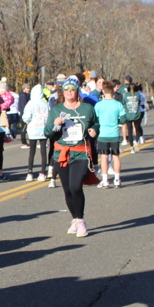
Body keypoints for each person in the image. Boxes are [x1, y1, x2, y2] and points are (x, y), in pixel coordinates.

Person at [47, 78, 98, 236]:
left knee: (76, 186)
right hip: (62, 153)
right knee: (68, 190)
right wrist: (56, 125)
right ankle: (75, 219)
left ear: (77, 91)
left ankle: (81, 221)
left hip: (81, 152)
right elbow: (47, 132)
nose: (69, 91)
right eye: (67, 89)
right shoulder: (56, 110)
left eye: (72, 89)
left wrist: (94, 130)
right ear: (63, 92)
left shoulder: (87, 108)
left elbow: (96, 123)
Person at [93, 80, 127, 188]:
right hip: (114, 134)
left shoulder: (98, 105)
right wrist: (117, 121)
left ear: (103, 91)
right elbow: (123, 120)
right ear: (113, 91)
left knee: (104, 157)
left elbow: (95, 119)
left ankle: (105, 180)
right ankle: (117, 179)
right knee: (116, 156)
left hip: (103, 134)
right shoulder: (118, 104)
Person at [22, 83, 51, 181]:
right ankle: (43, 173)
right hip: (43, 129)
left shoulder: (31, 103)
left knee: (32, 152)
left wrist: (27, 121)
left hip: (33, 130)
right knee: (43, 152)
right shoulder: (45, 104)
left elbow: (26, 117)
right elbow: (49, 115)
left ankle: (30, 173)